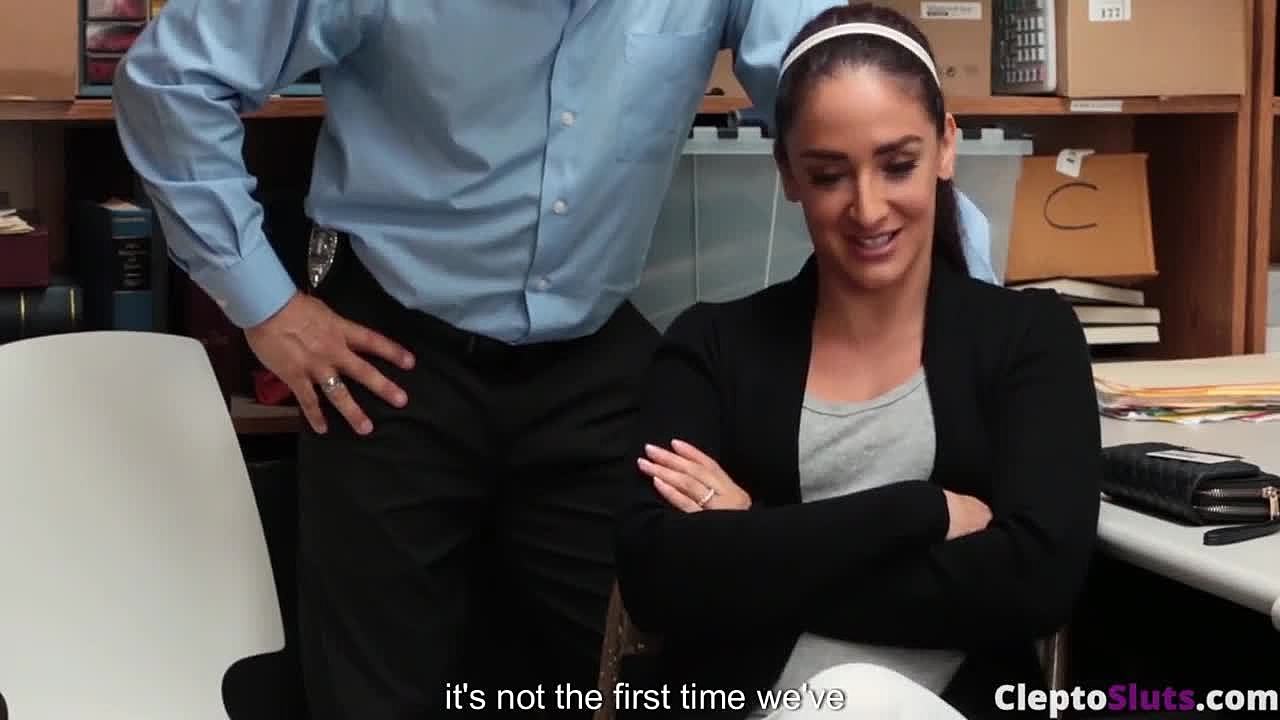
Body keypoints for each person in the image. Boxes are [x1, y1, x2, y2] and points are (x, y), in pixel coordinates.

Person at [111, 2, 1000, 718]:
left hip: (592, 346)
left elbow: (845, 85)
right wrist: (267, 308)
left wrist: (971, 308)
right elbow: (170, 80)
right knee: (372, 695)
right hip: (387, 347)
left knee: (661, 673)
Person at [614, 4, 1102, 720]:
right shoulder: (709, 345)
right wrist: (918, 511)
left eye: (898, 165)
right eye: (829, 175)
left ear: (946, 148)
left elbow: (1034, 583)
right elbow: (659, 577)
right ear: (787, 173)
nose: (868, 209)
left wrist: (755, 532)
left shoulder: (1032, 338)